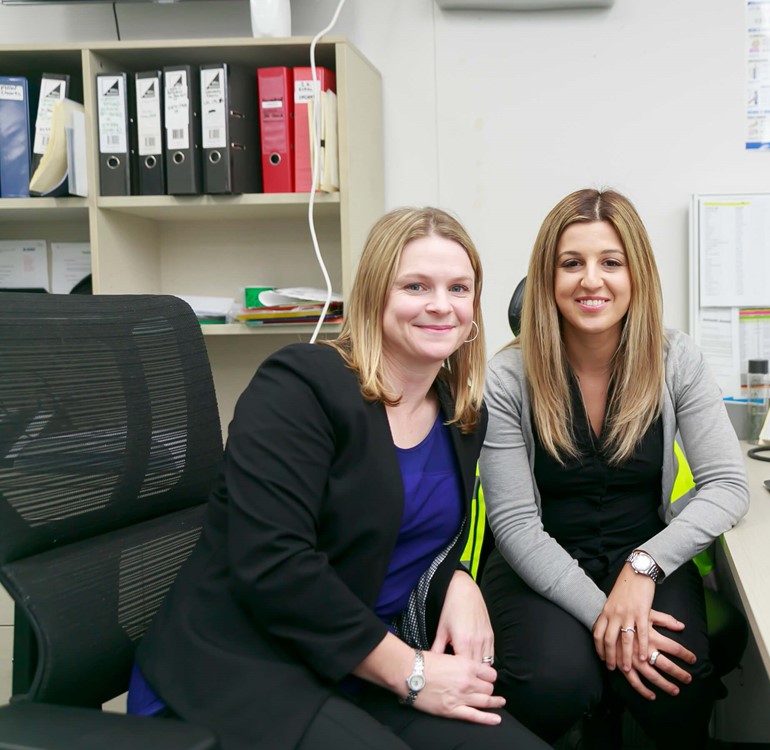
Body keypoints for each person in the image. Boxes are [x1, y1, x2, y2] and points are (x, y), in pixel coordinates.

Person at [128, 208, 549, 750]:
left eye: (459, 288)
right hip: (247, 662)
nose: (441, 305)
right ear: (375, 295)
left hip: (358, 661)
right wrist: (411, 672)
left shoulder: (460, 413)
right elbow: (274, 563)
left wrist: (458, 578)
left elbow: (415, 536)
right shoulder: (300, 387)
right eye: (415, 285)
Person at [479, 188, 749, 748]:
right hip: (539, 561)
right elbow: (515, 526)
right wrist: (612, 619)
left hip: (642, 553)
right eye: (571, 263)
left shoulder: (678, 360)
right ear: (547, 278)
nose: (591, 280)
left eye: (611, 262)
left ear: (637, 275)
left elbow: (727, 486)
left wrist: (643, 568)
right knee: (553, 683)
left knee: (674, 678)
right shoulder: (507, 378)